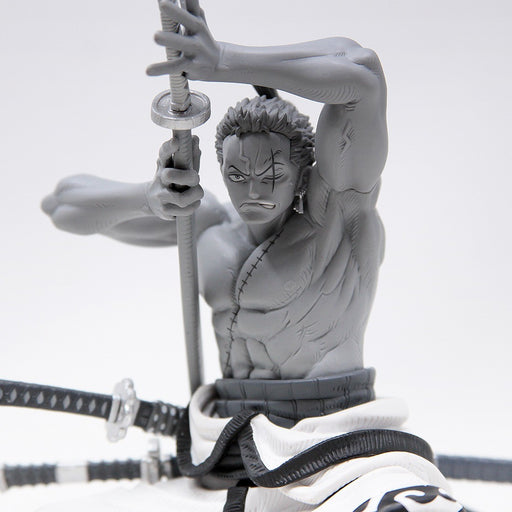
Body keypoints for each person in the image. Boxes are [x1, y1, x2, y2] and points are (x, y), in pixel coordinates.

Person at [41, 1, 465, 510]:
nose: (255, 192)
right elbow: (62, 205)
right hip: (221, 442)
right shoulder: (208, 225)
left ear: (303, 173)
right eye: (238, 176)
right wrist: (148, 198)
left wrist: (224, 60)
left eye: (273, 176)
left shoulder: (337, 216)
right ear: (220, 168)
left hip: (333, 440)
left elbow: (362, 74)